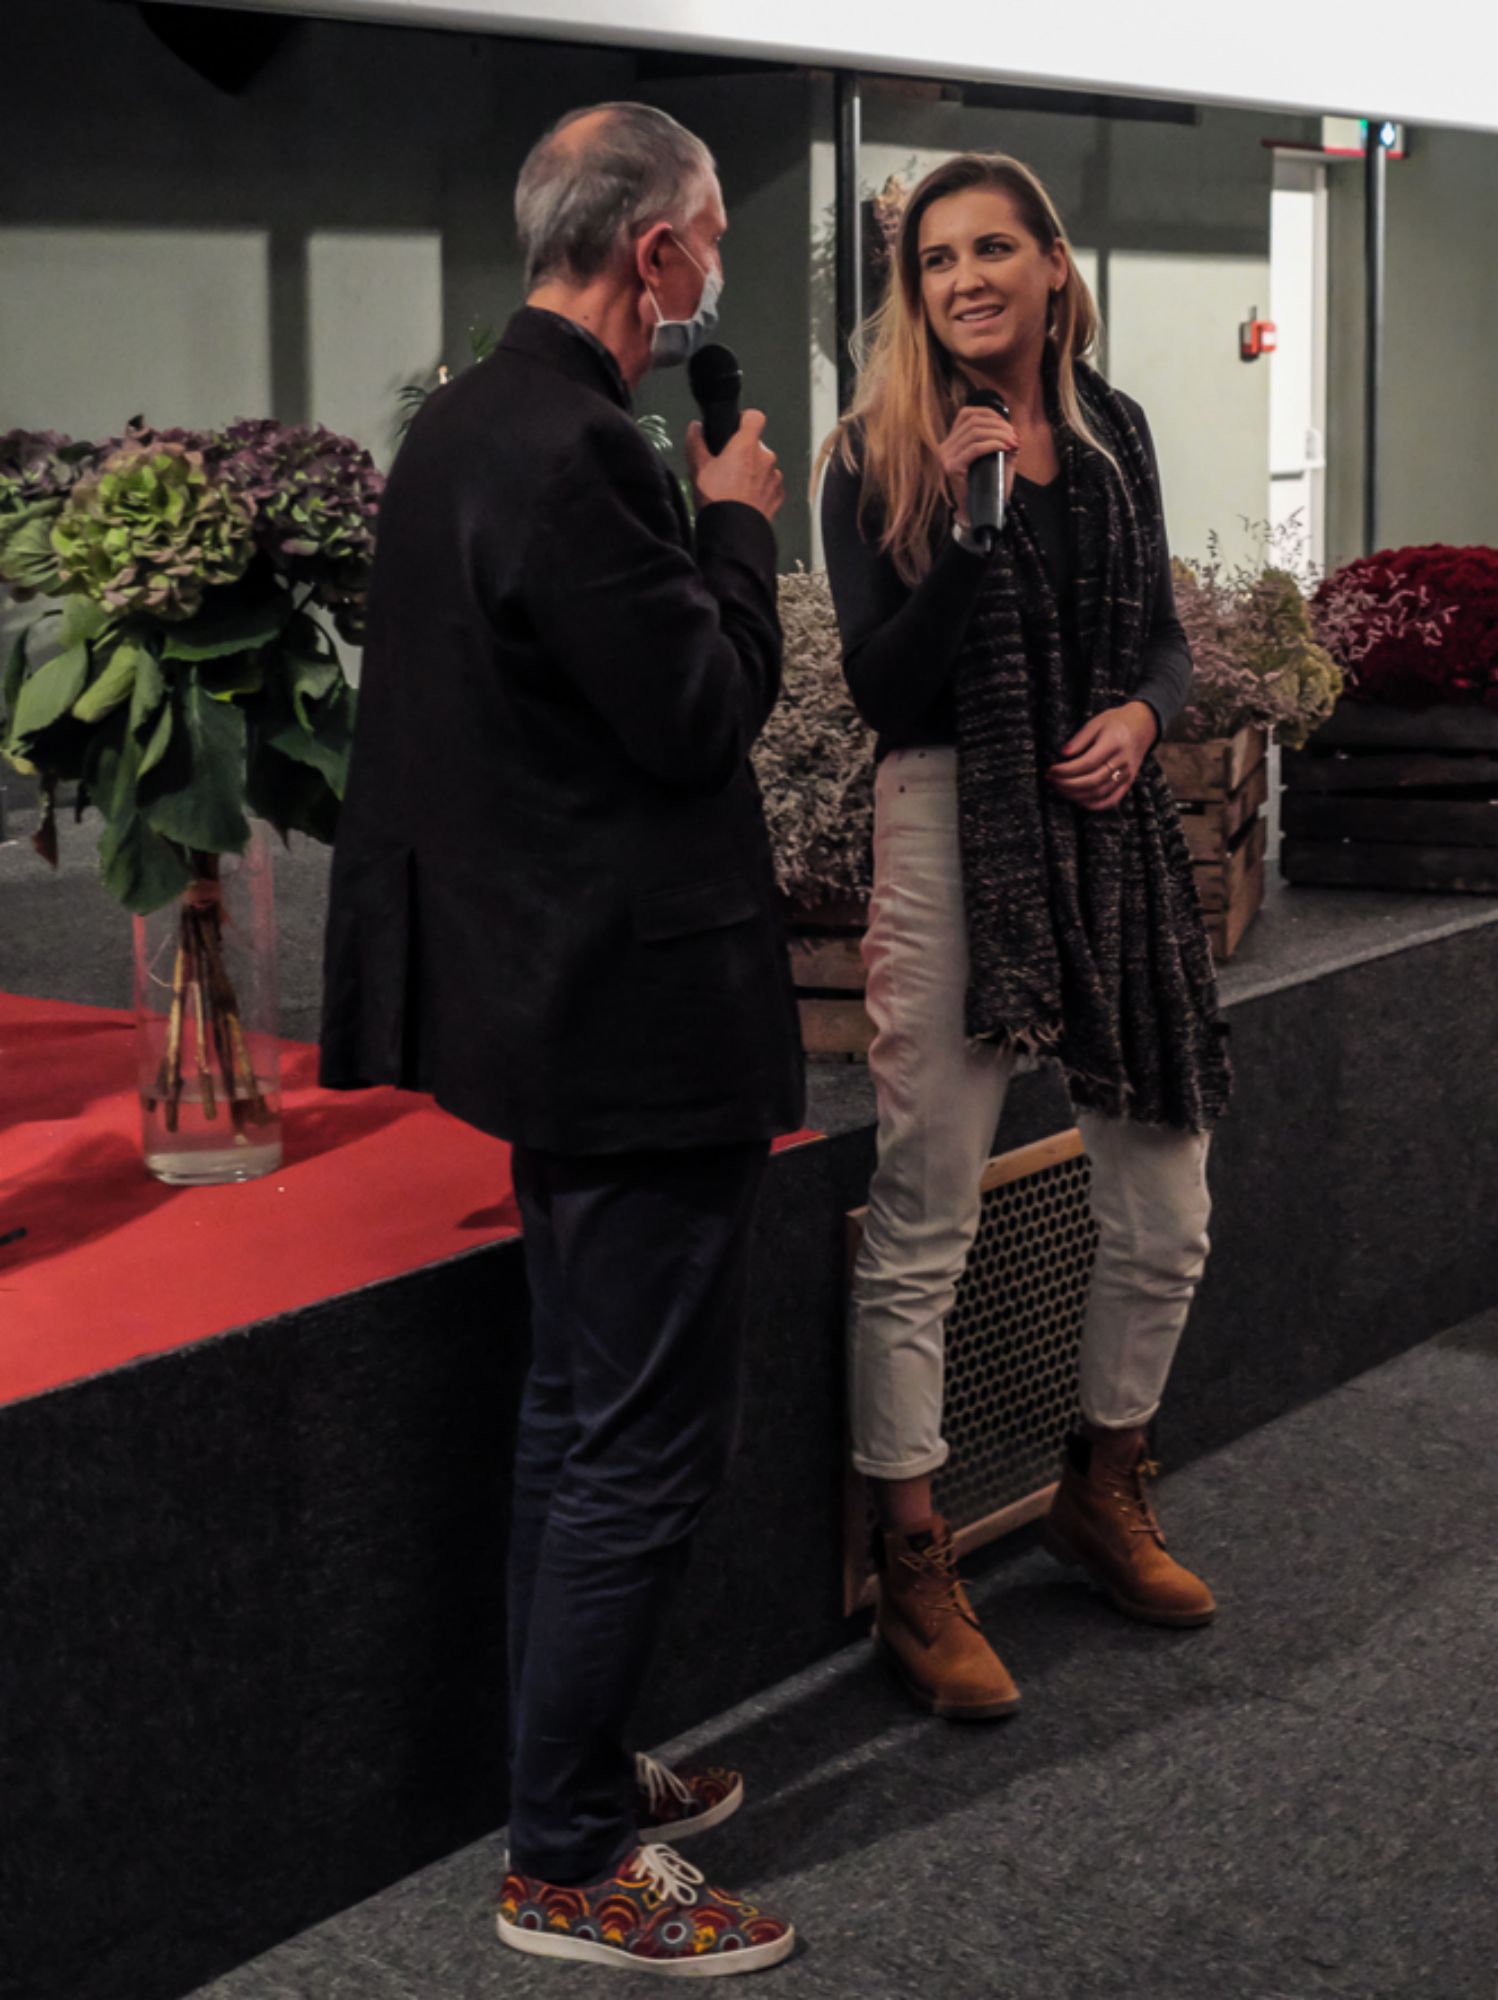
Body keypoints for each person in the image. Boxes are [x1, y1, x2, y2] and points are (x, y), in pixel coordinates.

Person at [320, 102, 803, 1976]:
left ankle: (571, 1773)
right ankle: (569, 1863)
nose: (714, 268)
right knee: (640, 1445)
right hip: (633, 1021)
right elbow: (699, 711)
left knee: (573, 1417)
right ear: (655, 253)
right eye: (711, 238)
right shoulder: (588, 448)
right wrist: (739, 519)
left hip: (547, 1005)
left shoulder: (463, 422)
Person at [819, 151, 1233, 1722]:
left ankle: (1100, 1486)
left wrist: (1140, 716)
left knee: (1165, 1206)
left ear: (1054, 266)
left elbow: (1163, 643)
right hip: (948, 819)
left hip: (1109, 836)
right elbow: (881, 687)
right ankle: (914, 1563)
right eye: (935, 260)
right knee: (925, 1215)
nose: (964, 279)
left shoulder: (1114, 434)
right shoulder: (878, 453)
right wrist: (968, 530)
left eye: (993, 248)